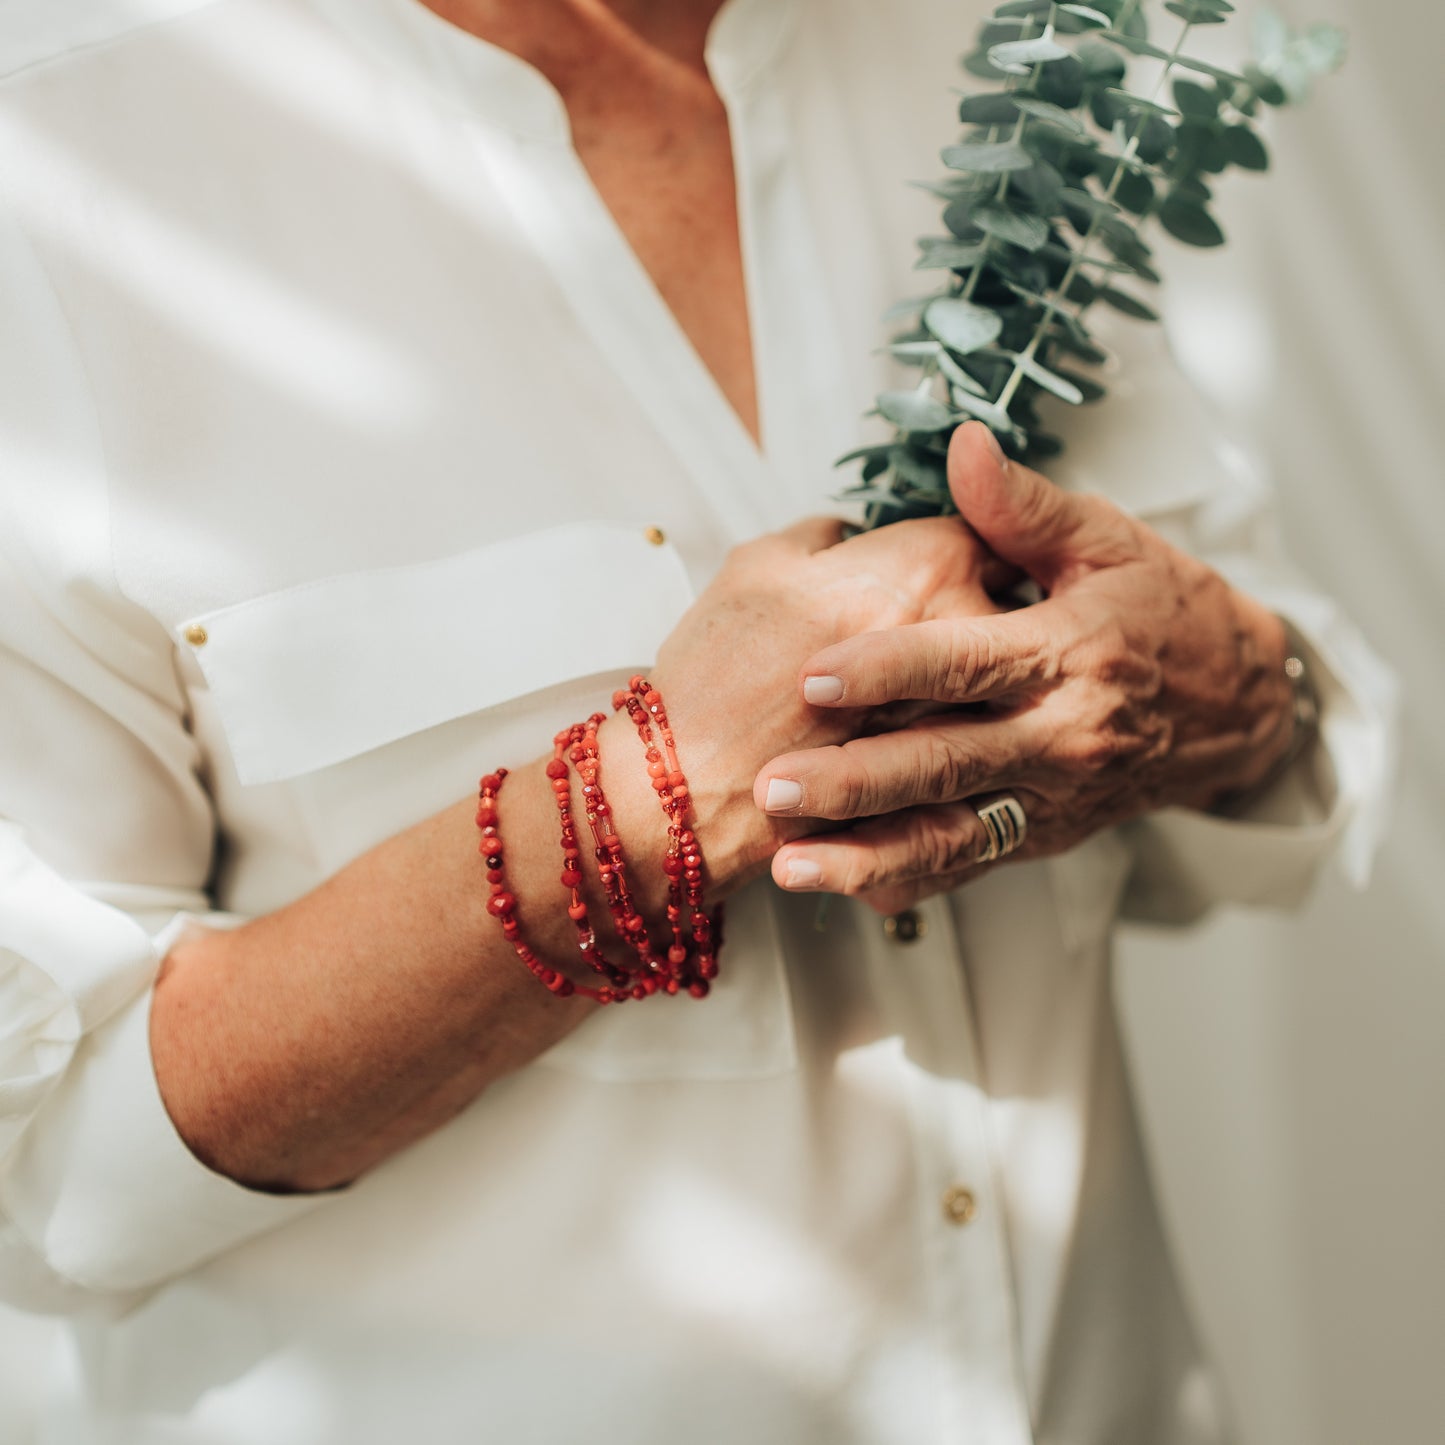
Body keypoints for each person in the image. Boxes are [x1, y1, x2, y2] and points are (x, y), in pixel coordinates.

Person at [0, 1, 1391, 1442]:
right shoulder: (53, 181)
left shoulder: (1036, 63)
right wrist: (645, 802)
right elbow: (54, 1167)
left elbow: (1296, 714)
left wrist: (1221, 692)